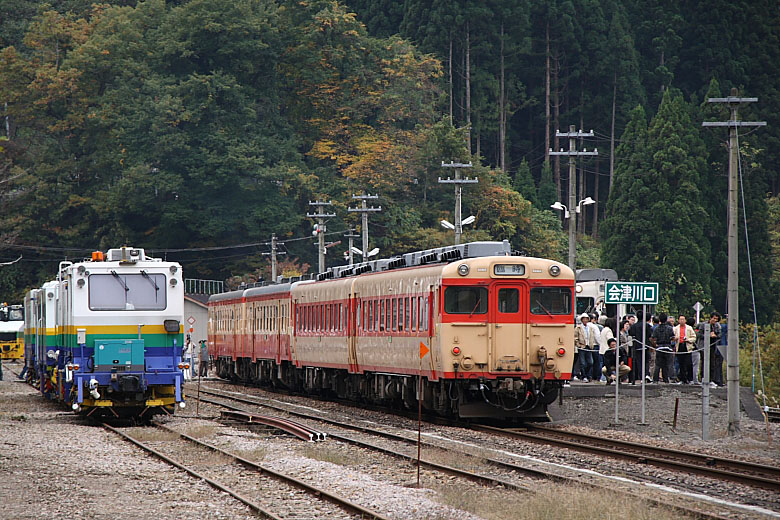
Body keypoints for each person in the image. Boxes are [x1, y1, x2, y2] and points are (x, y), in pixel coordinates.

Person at [698, 312, 723, 387]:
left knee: (712, 363)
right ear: (711, 318)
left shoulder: (717, 326)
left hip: (712, 346)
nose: (715, 320)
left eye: (716, 319)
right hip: (704, 346)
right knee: (704, 363)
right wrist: (707, 335)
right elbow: (699, 334)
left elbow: (719, 335)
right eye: (714, 318)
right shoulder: (703, 325)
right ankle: (703, 378)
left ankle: (711, 379)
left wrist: (715, 335)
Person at [629, 310, 653, 384]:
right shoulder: (647, 325)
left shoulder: (633, 326)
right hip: (645, 345)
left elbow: (631, 334)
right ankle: (646, 374)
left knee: (639, 362)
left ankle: (641, 376)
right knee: (646, 361)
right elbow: (650, 335)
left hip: (636, 346)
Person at [673, 315, 696, 384]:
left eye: (683, 319)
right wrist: (675, 338)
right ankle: (682, 379)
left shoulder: (689, 328)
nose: (682, 321)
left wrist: (688, 340)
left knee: (689, 363)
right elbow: (672, 337)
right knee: (681, 363)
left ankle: (690, 379)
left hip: (687, 346)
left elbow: (694, 337)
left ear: (685, 320)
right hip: (679, 346)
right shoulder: (675, 328)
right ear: (678, 320)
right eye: (680, 319)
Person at [652, 313, 674, 383]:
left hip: (659, 347)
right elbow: (672, 337)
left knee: (658, 364)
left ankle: (655, 379)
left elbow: (653, 338)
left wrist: (655, 345)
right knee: (667, 364)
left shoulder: (656, 328)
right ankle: (666, 379)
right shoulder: (670, 328)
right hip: (668, 347)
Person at [574, 313, 595, 382]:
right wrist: (578, 345)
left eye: (586, 319)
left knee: (590, 362)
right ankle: (584, 376)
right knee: (582, 362)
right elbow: (575, 337)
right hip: (582, 346)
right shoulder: (578, 328)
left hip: (589, 346)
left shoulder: (590, 328)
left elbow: (592, 337)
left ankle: (587, 374)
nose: (585, 320)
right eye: (584, 319)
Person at [598, 317, 617, 383]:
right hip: (606, 350)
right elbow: (610, 340)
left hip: (601, 349)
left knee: (602, 365)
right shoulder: (608, 330)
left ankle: (602, 377)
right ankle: (604, 378)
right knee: (607, 365)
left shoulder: (603, 329)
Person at [687, 316, 700, 383]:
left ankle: (688, 379)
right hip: (695, 349)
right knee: (695, 365)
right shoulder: (696, 332)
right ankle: (694, 379)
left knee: (687, 365)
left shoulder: (685, 330)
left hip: (686, 349)